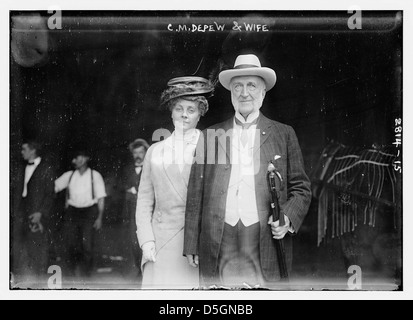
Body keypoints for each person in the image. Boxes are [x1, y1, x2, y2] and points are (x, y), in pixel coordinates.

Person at [184, 54, 312, 288]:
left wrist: (286, 218)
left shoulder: (284, 133)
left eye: (251, 85)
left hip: (264, 239)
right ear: (231, 93)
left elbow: (301, 188)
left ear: (263, 92)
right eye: (238, 87)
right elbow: (195, 194)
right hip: (218, 237)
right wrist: (191, 243)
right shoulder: (209, 135)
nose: (244, 93)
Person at [135, 76, 213, 289]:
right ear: (171, 111)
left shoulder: (211, 148)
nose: (184, 115)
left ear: (200, 114)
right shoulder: (155, 151)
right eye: (179, 108)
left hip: (193, 245)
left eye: (191, 109)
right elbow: (144, 200)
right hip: (160, 241)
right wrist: (146, 240)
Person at [54, 150, 107, 279]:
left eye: (77, 158)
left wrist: (99, 217)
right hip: (72, 212)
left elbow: (101, 198)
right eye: (73, 159)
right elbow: (52, 187)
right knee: (71, 244)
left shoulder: (95, 175)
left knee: (87, 246)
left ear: (85, 158)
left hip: (89, 212)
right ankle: (71, 275)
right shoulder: (69, 175)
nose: (74, 161)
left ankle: (86, 276)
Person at [11, 140, 55, 284]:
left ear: (33, 150)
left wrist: (41, 213)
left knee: (36, 247)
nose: (22, 152)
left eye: (24, 149)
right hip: (20, 211)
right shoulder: (20, 167)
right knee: (17, 245)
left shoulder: (46, 168)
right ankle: (17, 280)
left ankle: (39, 281)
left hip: (36, 213)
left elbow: (50, 194)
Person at [121, 138, 150, 278]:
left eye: (141, 152)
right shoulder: (127, 170)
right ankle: (139, 267)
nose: (138, 155)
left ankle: (148, 268)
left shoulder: (151, 167)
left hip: (148, 209)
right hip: (132, 209)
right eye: (135, 153)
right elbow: (121, 186)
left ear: (145, 153)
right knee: (134, 239)